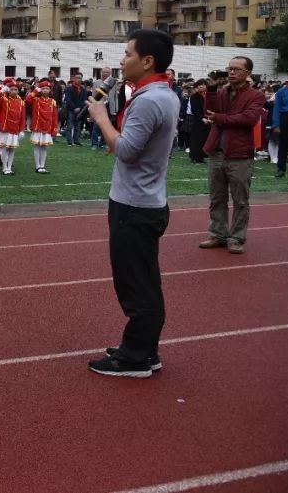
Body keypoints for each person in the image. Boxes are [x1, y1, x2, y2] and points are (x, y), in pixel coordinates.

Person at [85, 29, 179, 378]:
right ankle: (144, 348)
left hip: (135, 206)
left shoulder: (150, 100)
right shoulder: (159, 94)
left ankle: (135, 357)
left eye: (127, 54)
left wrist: (101, 118)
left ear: (147, 60)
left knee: (136, 285)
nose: (122, 61)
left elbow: (124, 151)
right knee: (143, 280)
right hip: (144, 201)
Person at [198, 57, 265, 254]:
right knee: (216, 198)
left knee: (240, 200)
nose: (231, 72)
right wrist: (210, 90)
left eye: (236, 69)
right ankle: (218, 234)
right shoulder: (221, 92)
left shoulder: (256, 95)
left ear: (248, 73)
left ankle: (236, 237)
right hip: (217, 153)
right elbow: (209, 112)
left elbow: (248, 119)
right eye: (229, 68)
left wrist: (220, 118)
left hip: (239, 154)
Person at [28, 81, 58, 174]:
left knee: (44, 147)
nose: (45, 90)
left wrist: (54, 129)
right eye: (43, 88)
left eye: (47, 89)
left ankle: (42, 165)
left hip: (47, 127)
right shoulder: (36, 99)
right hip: (38, 127)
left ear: (50, 90)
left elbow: (55, 116)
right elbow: (28, 99)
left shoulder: (52, 101)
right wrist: (36, 90)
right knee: (37, 146)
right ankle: (37, 166)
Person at [0, 83, 25, 176]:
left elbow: (22, 117)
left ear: (18, 91)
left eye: (16, 89)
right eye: (12, 89)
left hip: (15, 129)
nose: (14, 91)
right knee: (5, 148)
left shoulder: (21, 102)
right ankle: (4, 167)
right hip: (6, 128)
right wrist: (2, 90)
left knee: (12, 149)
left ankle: (9, 167)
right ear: (9, 90)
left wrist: (21, 130)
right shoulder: (4, 99)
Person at [90, 68, 119, 149]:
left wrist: (115, 109)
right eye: (105, 72)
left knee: (107, 125)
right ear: (101, 73)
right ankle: (94, 144)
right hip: (99, 105)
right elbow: (93, 95)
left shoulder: (113, 83)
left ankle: (104, 143)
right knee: (97, 125)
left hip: (109, 106)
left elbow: (115, 96)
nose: (106, 73)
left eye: (108, 72)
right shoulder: (96, 82)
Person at [185, 80, 209, 164]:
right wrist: (202, 118)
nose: (201, 86)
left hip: (208, 120)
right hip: (198, 120)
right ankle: (194, 157)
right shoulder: (194, 96)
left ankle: (201, 157)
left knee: (204, 139)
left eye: (203, 85)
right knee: (196, 139)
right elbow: (194, 110)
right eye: (200, 85)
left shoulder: (208, 95)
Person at [62, 73, 90, 146]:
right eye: (77, 78)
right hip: (71, 109)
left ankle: (76, 140)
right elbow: (67, 99)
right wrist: (74, 107)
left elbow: (84, 100)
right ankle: (69, 141)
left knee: (78, 126)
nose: (78, 79)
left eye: (80, 78)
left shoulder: (83, 90)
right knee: (70, 126)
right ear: (74, 79)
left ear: (81, 79)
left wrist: (79, 108)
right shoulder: (69, 88)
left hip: (79, 110)